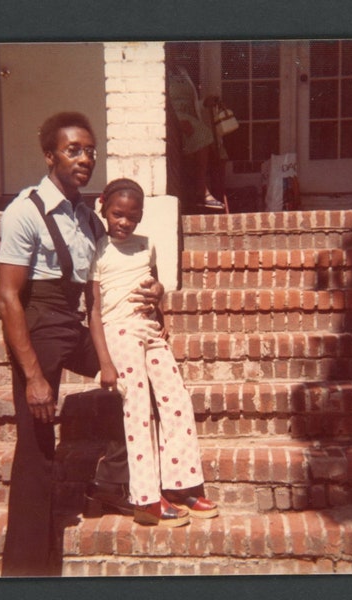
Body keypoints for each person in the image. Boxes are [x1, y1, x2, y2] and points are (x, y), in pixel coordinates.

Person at [0, 113, 164, 576]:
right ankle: (26, 569)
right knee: (36, 444)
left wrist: (157, 294)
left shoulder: (90, 219)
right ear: (50, 155)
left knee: (134, 382)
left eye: (90, 150)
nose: (85, 158)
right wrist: (33, 377)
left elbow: (107, 284)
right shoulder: (25, 211)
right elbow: (9, 297)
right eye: (73, 150)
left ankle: (111, 483)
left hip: (80, 322)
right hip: (38, 325)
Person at [86, 178, 219, 527]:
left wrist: (162, 312)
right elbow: (94, 310)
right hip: (118, 331)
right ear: (103, 208)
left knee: (176, 399)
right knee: (138, 407)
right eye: (118, 214)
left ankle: (179, 485)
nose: (125, 223)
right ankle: (145, 498)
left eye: (133, 216)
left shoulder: (147, 246)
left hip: (148, 330)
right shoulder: (96, 251)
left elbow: (155, 289)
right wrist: (103, 361)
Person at [167, 65, 226, 212]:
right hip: (173, 121)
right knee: (204, 134)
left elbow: (191, 103)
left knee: (213, 144)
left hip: (190, 120)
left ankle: (202, 192)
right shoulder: (160, 71)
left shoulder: (182, 71)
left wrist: (205, 102)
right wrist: (176, 121)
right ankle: (201, 191)